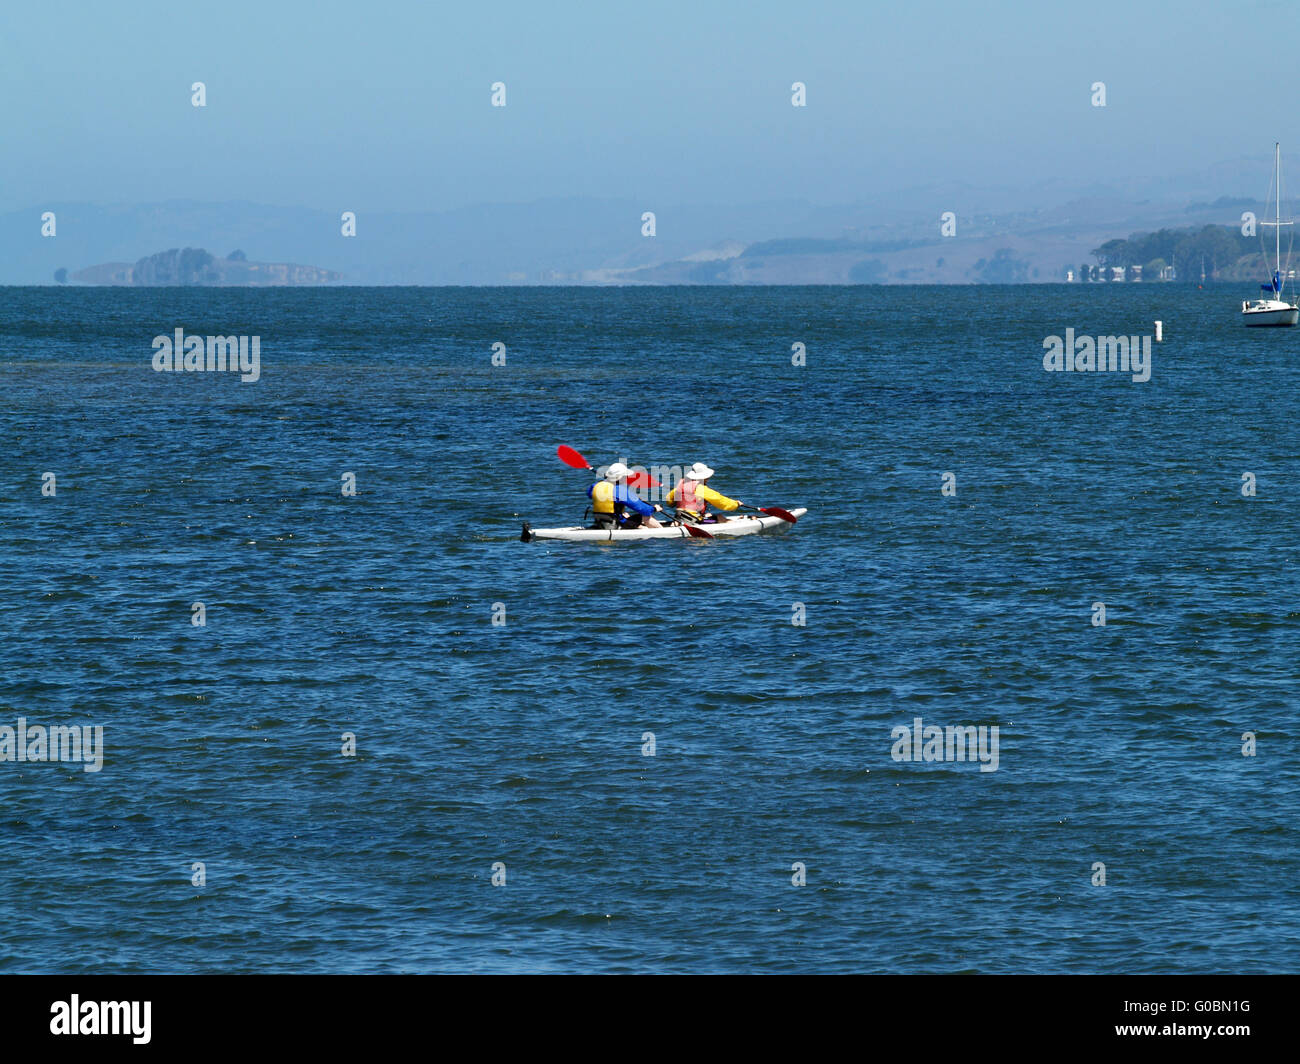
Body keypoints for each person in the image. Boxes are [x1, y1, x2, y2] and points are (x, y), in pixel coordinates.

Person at [589, 462, 664, 529]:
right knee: (646, 516)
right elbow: (644, 510)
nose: (626, 478)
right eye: (625, 476)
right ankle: (662, 533)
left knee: (635, 522)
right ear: (619, 477)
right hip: (616, 525)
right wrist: (654, 508)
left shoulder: (595, 486)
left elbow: (590, 495)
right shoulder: (619, 490)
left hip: (600, 523)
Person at [666, 462, 742, 522]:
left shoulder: (680, 487)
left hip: (679, 517)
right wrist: (735, 504)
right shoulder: (702, 489)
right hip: (694, 521)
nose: (708, 479)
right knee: (720, 517)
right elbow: (720, 501)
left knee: (708, 515)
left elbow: (669, 501)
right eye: (707, 477)